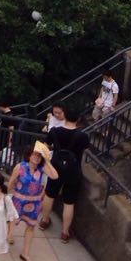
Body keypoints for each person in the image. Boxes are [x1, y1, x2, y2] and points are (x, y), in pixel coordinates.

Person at [40, 103, 90, 242]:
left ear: (65, 115)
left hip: (55, 168)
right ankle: (65, 232)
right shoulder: (82, 136)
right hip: (73, 171)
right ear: (79, 118)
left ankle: (44, 220)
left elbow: (46, 145)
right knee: (69, 202)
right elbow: (85, 149)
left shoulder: (54, 131)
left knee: (49, 194)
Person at [8, 142, 58, 261]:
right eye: (34, 155)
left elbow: (55, 176)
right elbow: (11, 183)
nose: (36, 157)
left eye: (39, 156)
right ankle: (9, 234)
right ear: (29, 155)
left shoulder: (42, 169)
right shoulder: (20, 167)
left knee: (31, 227)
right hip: (18, 200)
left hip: (34, 203)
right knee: (12, 220)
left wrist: (46, 160)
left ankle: (25, 253)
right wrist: (9, 196)